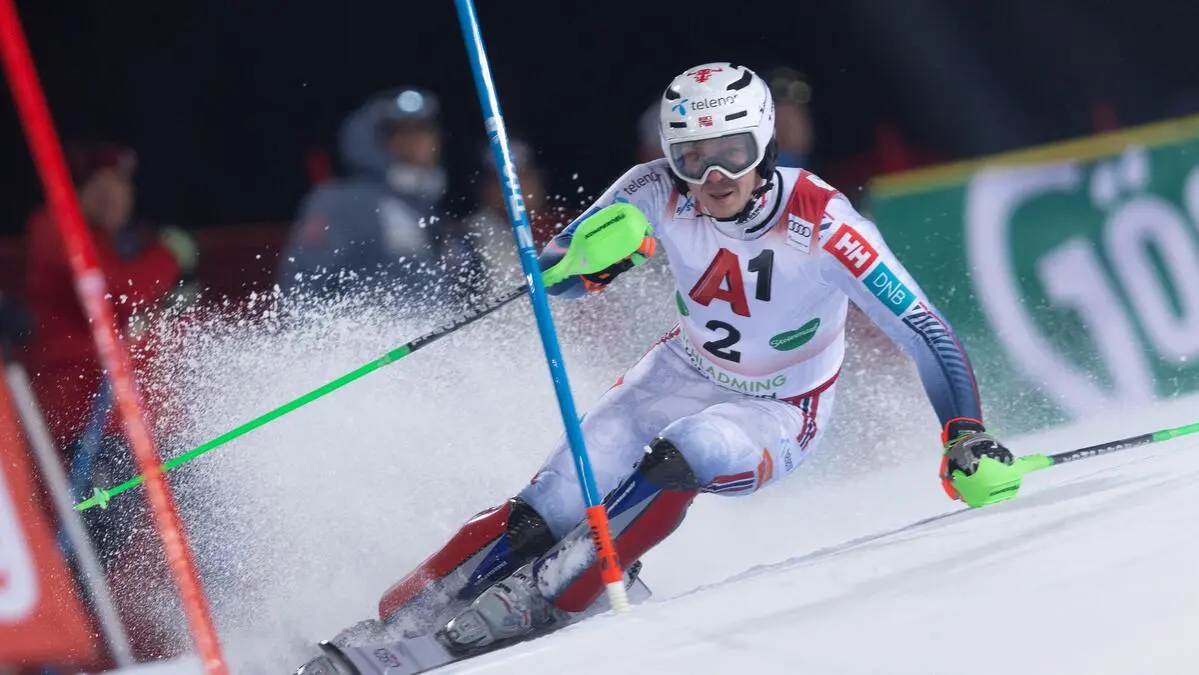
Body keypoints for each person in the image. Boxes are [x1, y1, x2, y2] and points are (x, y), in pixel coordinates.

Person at [373, 63, 1012, 653]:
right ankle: (397, 617)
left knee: (687, 451)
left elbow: (921, 327)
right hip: (680, 373)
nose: (714, 178)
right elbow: (552, 272)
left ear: (764, 144)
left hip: (780, 409)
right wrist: (588, 264)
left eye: (733, 153)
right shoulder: (655, 187)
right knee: (550, 506)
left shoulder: (823, 222)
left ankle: (552, 596)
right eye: (692, 157)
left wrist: (964, 432)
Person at [277, 87, 457, 304]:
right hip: (373, 323)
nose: (417, 142)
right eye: (401, 132)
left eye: (424, 130)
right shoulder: (342, 201)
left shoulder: (425, 203)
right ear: (375, 140)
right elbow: (303, 283)